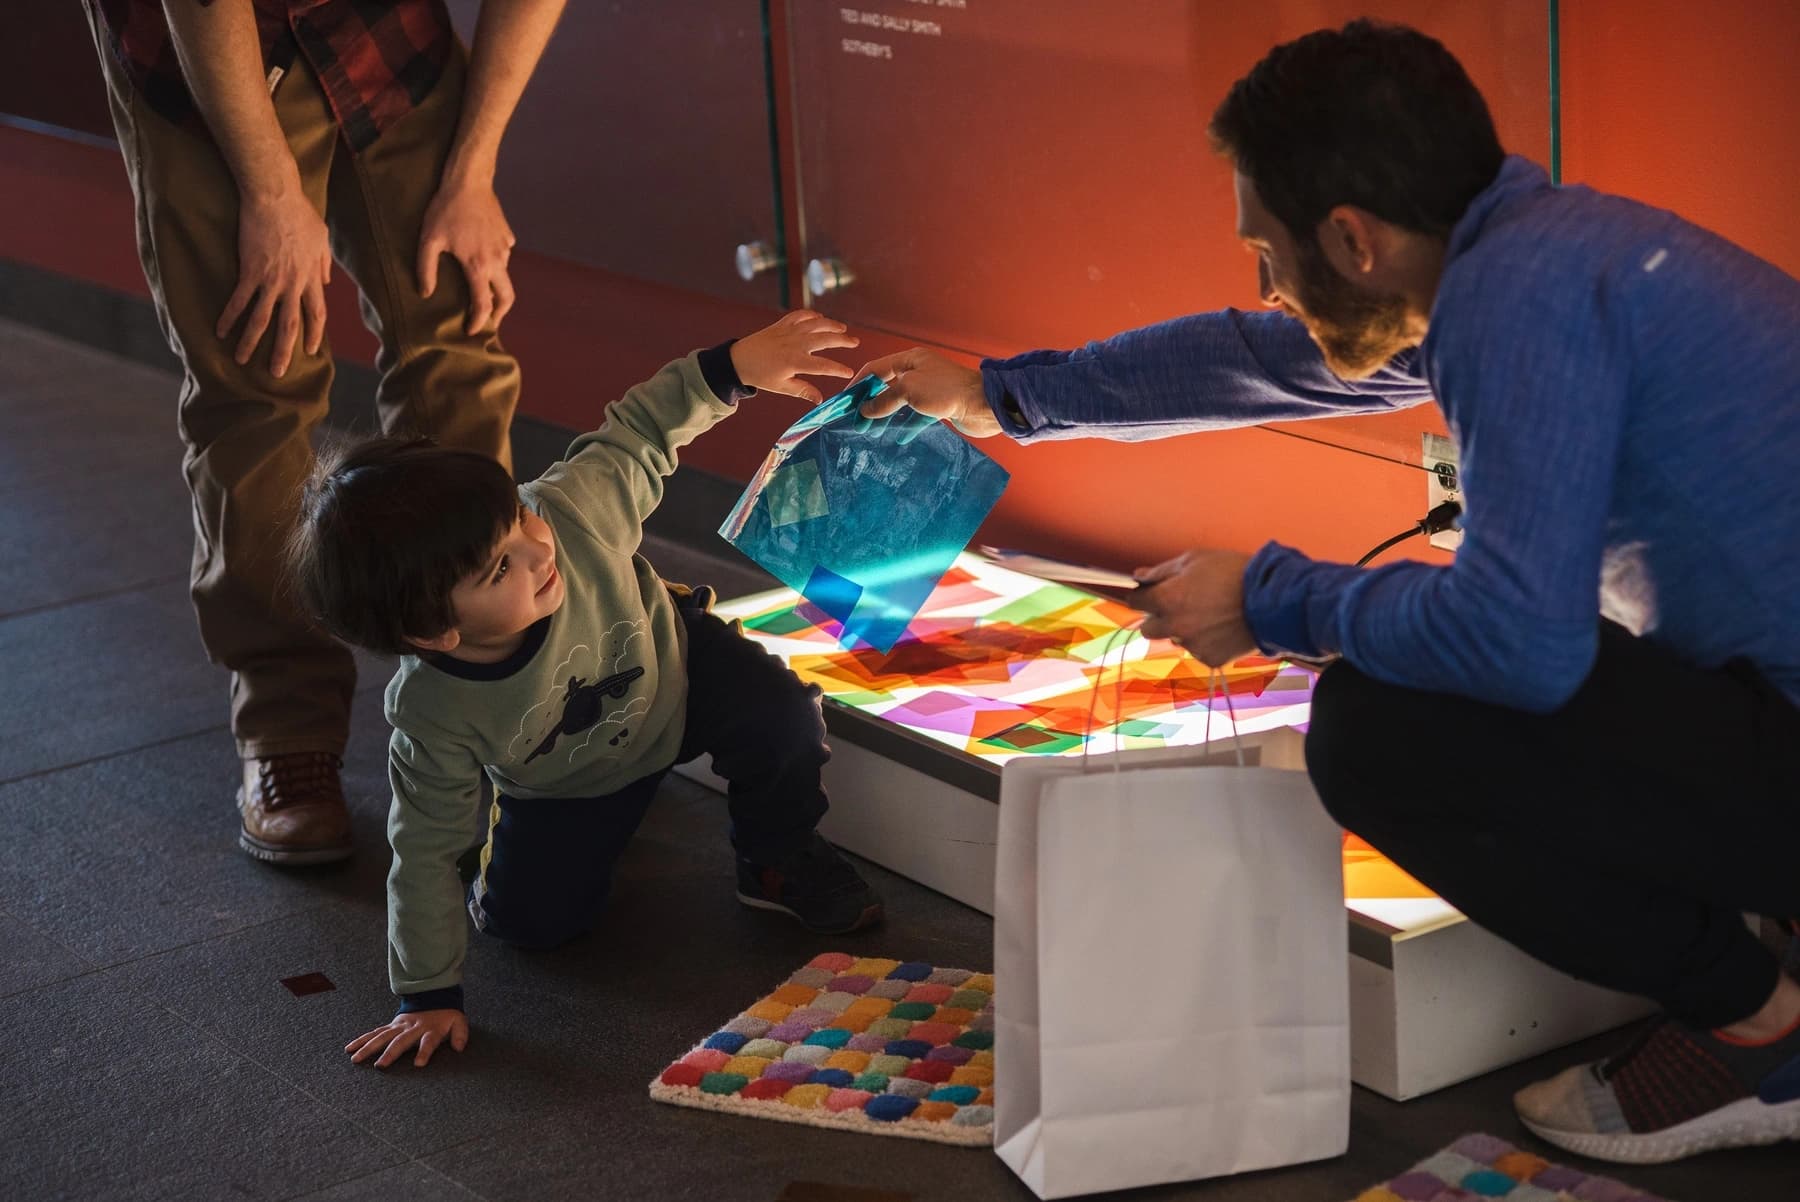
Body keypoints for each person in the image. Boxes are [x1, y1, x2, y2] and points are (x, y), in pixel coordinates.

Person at [854, 19, 1800, 1164]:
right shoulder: (1534, 252)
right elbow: (1262, 359)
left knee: (1376, 726)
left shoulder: (1518, 302)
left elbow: (1521, 640)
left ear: (1350, 237)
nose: (1265, 280)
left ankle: (1760, 1021)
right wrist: (1003, 395)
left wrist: (1274, 598)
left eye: (1268, 249)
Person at [286, 310, 885, 1069]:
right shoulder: (432, 711)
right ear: (436, 635)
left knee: (783, 715)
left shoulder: (568, 512)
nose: (536, 550)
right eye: (498, 569)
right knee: (535, 930)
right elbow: (423, 849)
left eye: (516, 516)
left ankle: (778, 856)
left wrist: (733, 367)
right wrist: (427, 994)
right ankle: (506, 874)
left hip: (677, 669)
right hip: (565, 785)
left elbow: (639, 428)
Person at [82, 0, 567, 864]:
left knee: (454, 345)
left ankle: (493, 692)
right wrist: (268, 193)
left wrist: (474, 164)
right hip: (209, 53)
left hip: (389, 36)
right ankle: (288, 728)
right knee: (258, 376)